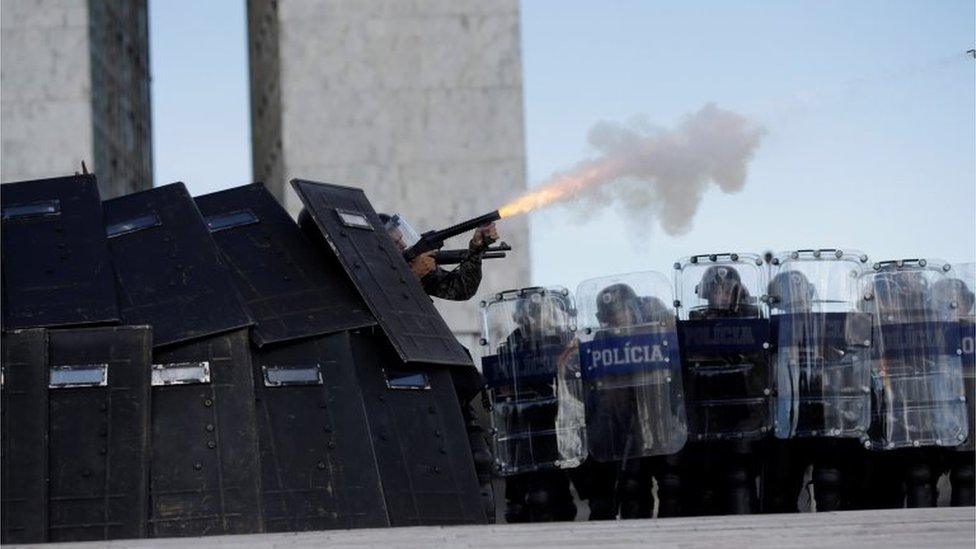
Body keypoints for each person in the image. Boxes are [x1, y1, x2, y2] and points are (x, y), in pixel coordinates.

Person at [379, 213, 498, 300]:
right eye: (395, 242)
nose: (404, 245)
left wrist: (476, 248)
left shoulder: (412, 265)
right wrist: (413, 276)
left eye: (401, 239)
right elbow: (382, 302)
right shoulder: (373, 274)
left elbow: (463, 289)